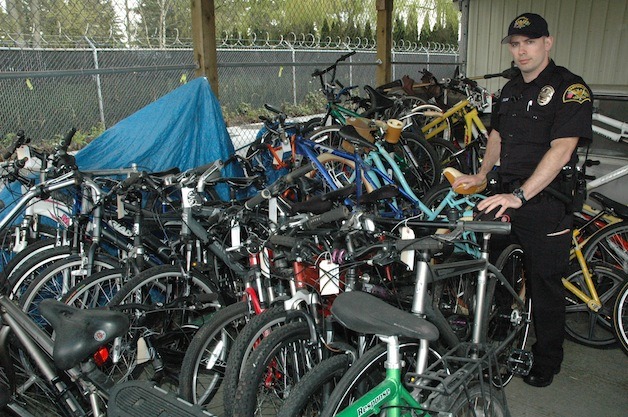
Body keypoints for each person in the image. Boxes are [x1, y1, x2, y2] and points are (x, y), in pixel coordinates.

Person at [453, 12, 592, 387]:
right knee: (497, 275)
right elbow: (496, 136)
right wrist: (482, 175)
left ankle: (547, 361)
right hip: (504, 196)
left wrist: (520, 195)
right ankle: (498, 343)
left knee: (545, 284)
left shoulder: (569, 89)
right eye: (515, 44)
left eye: (529, 42)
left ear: (547, 42)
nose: (521, 51)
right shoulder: (511, 89)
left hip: (545, 202)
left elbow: (562, 149)